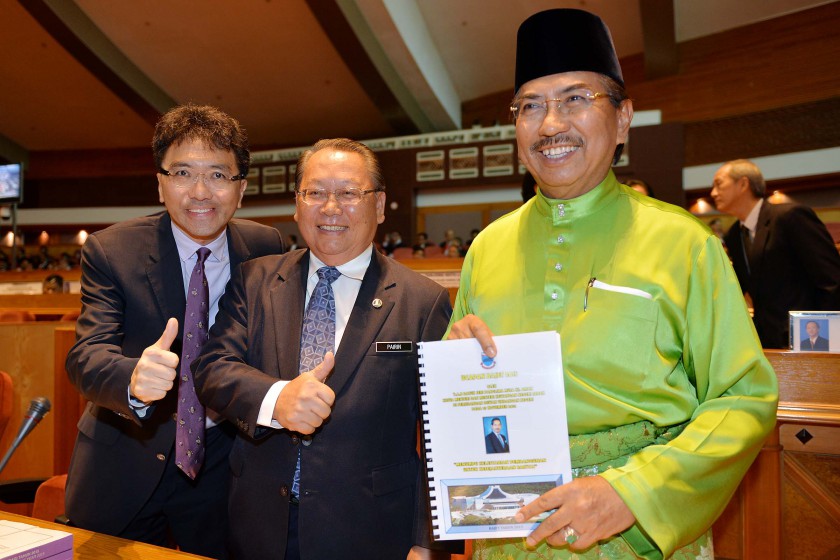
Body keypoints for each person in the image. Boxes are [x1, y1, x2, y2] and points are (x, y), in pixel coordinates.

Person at [445, 9, 778, 559]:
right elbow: (464, 396)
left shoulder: (684, 242)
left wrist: (631, 493)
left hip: (634, 531)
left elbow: (744, 397)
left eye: (575, 98)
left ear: (623, 119)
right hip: (510, 529)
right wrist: (456, 362)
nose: (550, 125)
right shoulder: (488, 246)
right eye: (531, 106)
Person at [193, 138, 458, 560]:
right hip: (260, 524)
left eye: (349, 193)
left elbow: (440, 434)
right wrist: (277, 400)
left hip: (370, 530)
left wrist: (427, 540)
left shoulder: (422, 301)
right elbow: (212, 368)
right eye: (315, 192)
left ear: (379, 205)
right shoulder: (255, 280)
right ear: (297, 206)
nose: (330, 208)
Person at [64, 104, 284, 558]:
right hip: (125, 456)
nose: (200, 192)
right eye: (183, 173)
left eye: (218, 175)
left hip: (223, 459)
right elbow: (86, 355)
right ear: (160, 183)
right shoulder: (113, 250)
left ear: (241, 188)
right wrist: (132, 379)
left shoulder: (267, 247)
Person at [711, 159, 840, 348]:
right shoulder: (734, 235)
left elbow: (832, 280)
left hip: (808, 338)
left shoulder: (790, 217)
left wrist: (821, 339)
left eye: (719, 184)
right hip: (767, 341)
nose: (713, 193)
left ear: (743, 184)